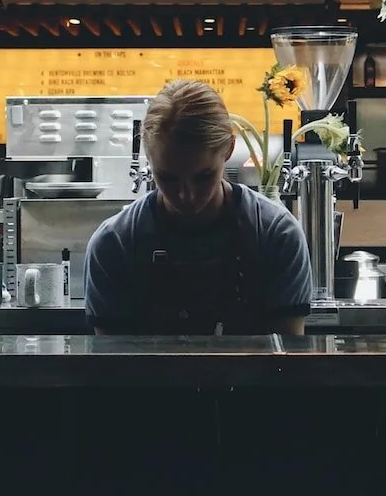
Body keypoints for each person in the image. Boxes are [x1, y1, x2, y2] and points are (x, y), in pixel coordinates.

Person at [85, 79, 314, 335]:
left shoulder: (277, 236)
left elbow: (288, 365)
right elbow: (112, 368)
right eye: (168, 178)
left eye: (203, 176)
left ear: (228, 149)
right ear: (148, 159)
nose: (186, 195)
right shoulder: (114, 244)